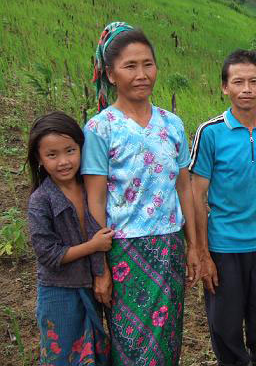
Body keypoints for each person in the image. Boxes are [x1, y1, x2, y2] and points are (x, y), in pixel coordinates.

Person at [81, 22, 200, 365]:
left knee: (167, 340)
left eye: (148, 64)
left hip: (169, 247)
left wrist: (194, 245)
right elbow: (95, 201)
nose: (141, 74)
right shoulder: (100, 128)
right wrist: (100, 267)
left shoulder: (172, 124)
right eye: (130, 66)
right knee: (130, 343)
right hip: (123, 251)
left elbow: (185, 188)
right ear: (110, 74)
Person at [190, 49, 256, 366]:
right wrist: (203, 254)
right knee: (225, 327)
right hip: (223, 248)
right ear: (225, 87)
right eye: (238, 82)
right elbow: (197, 195)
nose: (247, 89)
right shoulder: (210, 133)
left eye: (254, 81)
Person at [27, 111, 112, 366]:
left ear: (81, 149)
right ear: (39, 159)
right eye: (52, 155)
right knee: (62, 355)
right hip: (59, 291)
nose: (63, 162)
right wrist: (92, 246)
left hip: (89, 286)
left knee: (94, 353)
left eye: (70, 151)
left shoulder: (91, 189)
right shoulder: (41, 200)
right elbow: (48, 254)